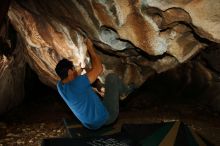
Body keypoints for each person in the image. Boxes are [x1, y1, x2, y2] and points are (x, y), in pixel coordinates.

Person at [55, 38, 134, 130]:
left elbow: (77, 88)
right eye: (73, 69)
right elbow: (99, 68)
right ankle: (125, 91)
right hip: (106, 118)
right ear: (69, 71)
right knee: (111, 78)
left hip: (90, 125)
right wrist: (90, 48)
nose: (74, 70)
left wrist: (94, 89)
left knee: (100, 89)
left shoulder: (60, 86)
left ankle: (108, 92)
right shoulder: (78, 83)